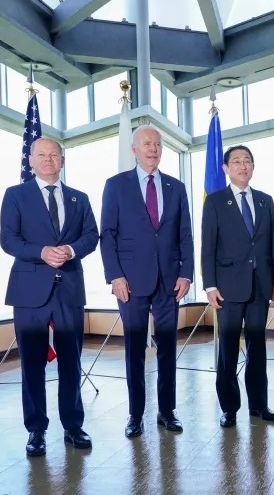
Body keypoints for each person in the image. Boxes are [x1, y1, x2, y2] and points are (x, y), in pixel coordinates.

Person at [0, 137, 99, 456]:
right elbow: (8, 240)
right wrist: (41, 252)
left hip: (69, 288)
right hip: (29, 291)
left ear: (62, 160)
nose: (47, 159)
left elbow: (91, 236)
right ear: (30, 160)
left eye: (54, 154)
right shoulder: (15, 195)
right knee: (32, 363)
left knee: (71, 360)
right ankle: (36, 430)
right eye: (41, 154)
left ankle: (73, 425)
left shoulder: (79, 198)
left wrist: (69, 249)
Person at [100, 125, 194, 438]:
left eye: (157, 144)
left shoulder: (176, 187)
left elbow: (184, 234)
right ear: (134, 149)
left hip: (169, 281)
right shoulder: (116, 186)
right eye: (147, 144)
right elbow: (107, 235)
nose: (153, 149)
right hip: (130, 282)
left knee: (167, 348)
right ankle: (135, 414)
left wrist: (186, 273)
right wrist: (115, 275)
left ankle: (167, 411)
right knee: (134, 349)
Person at [201, 145, 274, 428]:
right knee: (228, 350)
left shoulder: (265, 201)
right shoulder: (215, 201)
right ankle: (229, 408)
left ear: (253, 166)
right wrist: (210, 286)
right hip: (228, 287)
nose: (242, 165)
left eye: (247, 160)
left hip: (261, 286)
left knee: (258, 347)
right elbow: (208, 246)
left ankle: (259, 405)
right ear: (226, 168)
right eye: (236, 161)